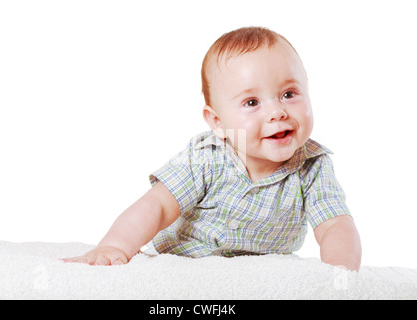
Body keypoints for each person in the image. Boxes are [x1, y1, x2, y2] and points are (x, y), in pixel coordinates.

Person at [62, 26, 362, 271]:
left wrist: (339, 274)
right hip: (186, 260)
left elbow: (334, 225)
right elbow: (158, 205)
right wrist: (115, 246)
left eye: (289, 93)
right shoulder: (207, 155)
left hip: (260, 269)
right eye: (252, 102)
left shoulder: (313, 165)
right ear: (217, 122)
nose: (277, 112)